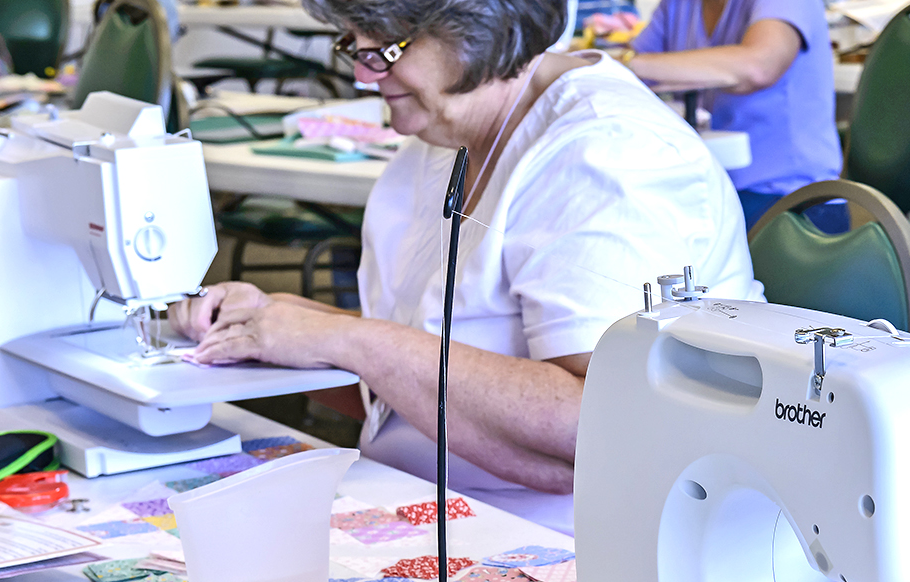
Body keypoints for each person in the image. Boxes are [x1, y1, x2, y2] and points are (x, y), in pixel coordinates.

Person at [172, 0, 757, 535]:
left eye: (383, 49)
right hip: (435, 507)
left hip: (574, 548)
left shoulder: (611, 156)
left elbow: (607, 424)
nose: (361, 74)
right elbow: (425, 371)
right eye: (353, 44)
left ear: (477, 30)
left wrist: (345, 337)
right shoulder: (445, 136)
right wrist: (281, 325)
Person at [619, 0, 844, 231]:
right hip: (716, 192)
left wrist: (628, 66)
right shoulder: (678, 5)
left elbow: (759, 66)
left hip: (787, 199)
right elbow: (629, 75)